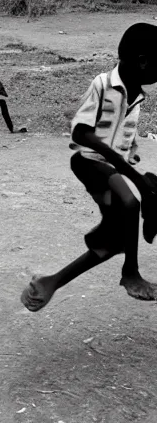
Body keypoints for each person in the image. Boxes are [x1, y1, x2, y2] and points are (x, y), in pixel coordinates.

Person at [21, 23, 157, 312]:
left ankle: (49, 283)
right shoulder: (103, 85)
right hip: (88, 162)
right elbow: (81, 134)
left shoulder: (138, 99)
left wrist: (131, 158)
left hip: (111, 167)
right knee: (131, 202)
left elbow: (125, 139)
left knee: (112, 241)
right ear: (143, 62)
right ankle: (130, 272)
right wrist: (127, 170)